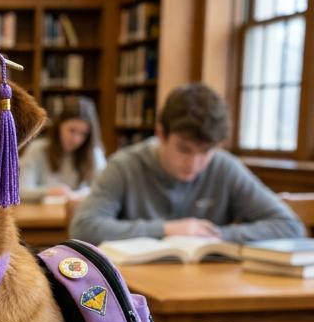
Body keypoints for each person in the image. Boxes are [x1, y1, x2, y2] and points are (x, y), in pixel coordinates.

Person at [70, 83, 306, 245]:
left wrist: (216, 235)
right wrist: (167, 230)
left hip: (211, 286)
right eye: (184, 149)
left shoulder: (225, 167)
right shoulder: (123, 166)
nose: (194, 163)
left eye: (206, 152)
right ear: (161, 134)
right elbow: (83, 227)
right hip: (136, 296)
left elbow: (291, 227)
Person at [18, 96, 106, 202]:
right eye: (72, 130)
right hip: (44, 216)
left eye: (83, 134)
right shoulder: (36, 150)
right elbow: (21, 191)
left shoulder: (94, 153)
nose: (76, 140)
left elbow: (104, 191)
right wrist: (48, 191)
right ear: (59, 126)